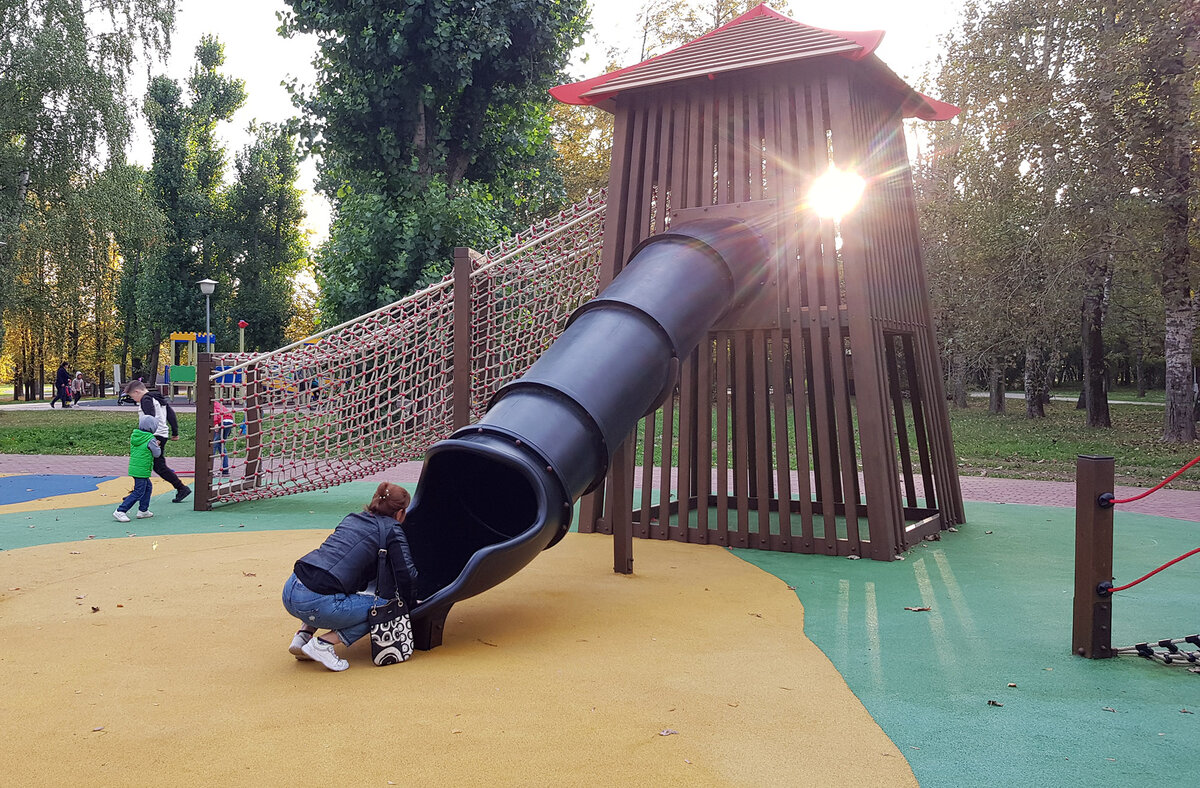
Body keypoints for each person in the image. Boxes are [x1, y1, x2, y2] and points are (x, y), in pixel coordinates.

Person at [282, 482, 418, 671]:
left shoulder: (352, 518)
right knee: (384, 609)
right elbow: (406, 574)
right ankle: (323, 644)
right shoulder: (392, 529)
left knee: (328, 582)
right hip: (316, 603)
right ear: (400, 513)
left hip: (291, 589)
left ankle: (303, 636)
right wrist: (410, 605)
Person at [125, 381, 191, 503]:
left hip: (154, 435)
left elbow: (150, 418)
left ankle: (181, 488)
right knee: (151, 464)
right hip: (161, 434)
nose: (134, 400)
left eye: (133, 396)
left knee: (153, 465)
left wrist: (149, 437)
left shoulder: (146, 399)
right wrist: (175, 432)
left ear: (137, 392)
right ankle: (139, 491)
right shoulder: (157, 397)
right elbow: (170, 414)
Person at [113, 414, 162, 522]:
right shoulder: (150, 439)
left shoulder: (135, 436)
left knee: (147, 487)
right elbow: (157, 453)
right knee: (139, 491)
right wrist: (157, 445)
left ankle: (143, 510)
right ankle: (120, 510)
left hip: (135, 468)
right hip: (142, 469)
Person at [212, 399, 235, 477]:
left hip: (222, 421)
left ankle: (209, 470)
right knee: (221, 446)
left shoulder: (211, 404)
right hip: (230, 421)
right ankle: (225, 470)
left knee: (213, 446)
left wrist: (215, 423)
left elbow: (214, 413)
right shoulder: (219, 404)